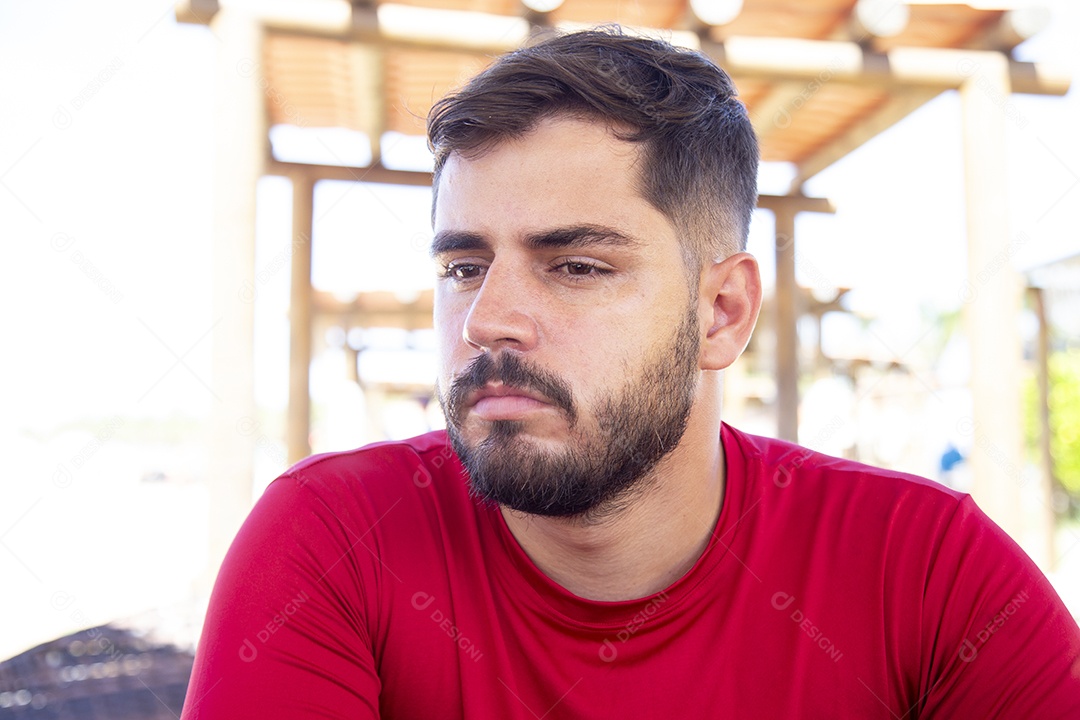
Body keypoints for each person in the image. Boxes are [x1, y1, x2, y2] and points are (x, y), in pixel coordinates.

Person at [181, 28, 1080, 718]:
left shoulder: (921, 568)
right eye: (462, 265)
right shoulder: (333, 543)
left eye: (576, 265)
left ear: (720, 312)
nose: (486, 318)